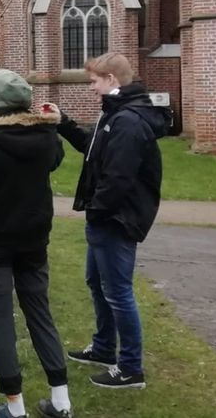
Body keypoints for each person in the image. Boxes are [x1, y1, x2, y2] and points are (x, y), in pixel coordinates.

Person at [0, 69, 73, 418]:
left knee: (0, 317)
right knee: (39, 310)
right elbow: (55, 159)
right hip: (33, 238)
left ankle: (15, 406)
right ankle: (61, 400)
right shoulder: (46, 138)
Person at [57, 52, 165, 390]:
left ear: (112, 81)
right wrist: (63, 123)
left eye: (94, 82)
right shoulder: (115, 115)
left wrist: (97, 213)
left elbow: (118, 178)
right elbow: (91, 146)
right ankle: (104, 348)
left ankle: (131, 367)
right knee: (97, 283)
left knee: (118, 292)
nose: (92, 88)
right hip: (106, 218)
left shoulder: (129, 122)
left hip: (116, 220)